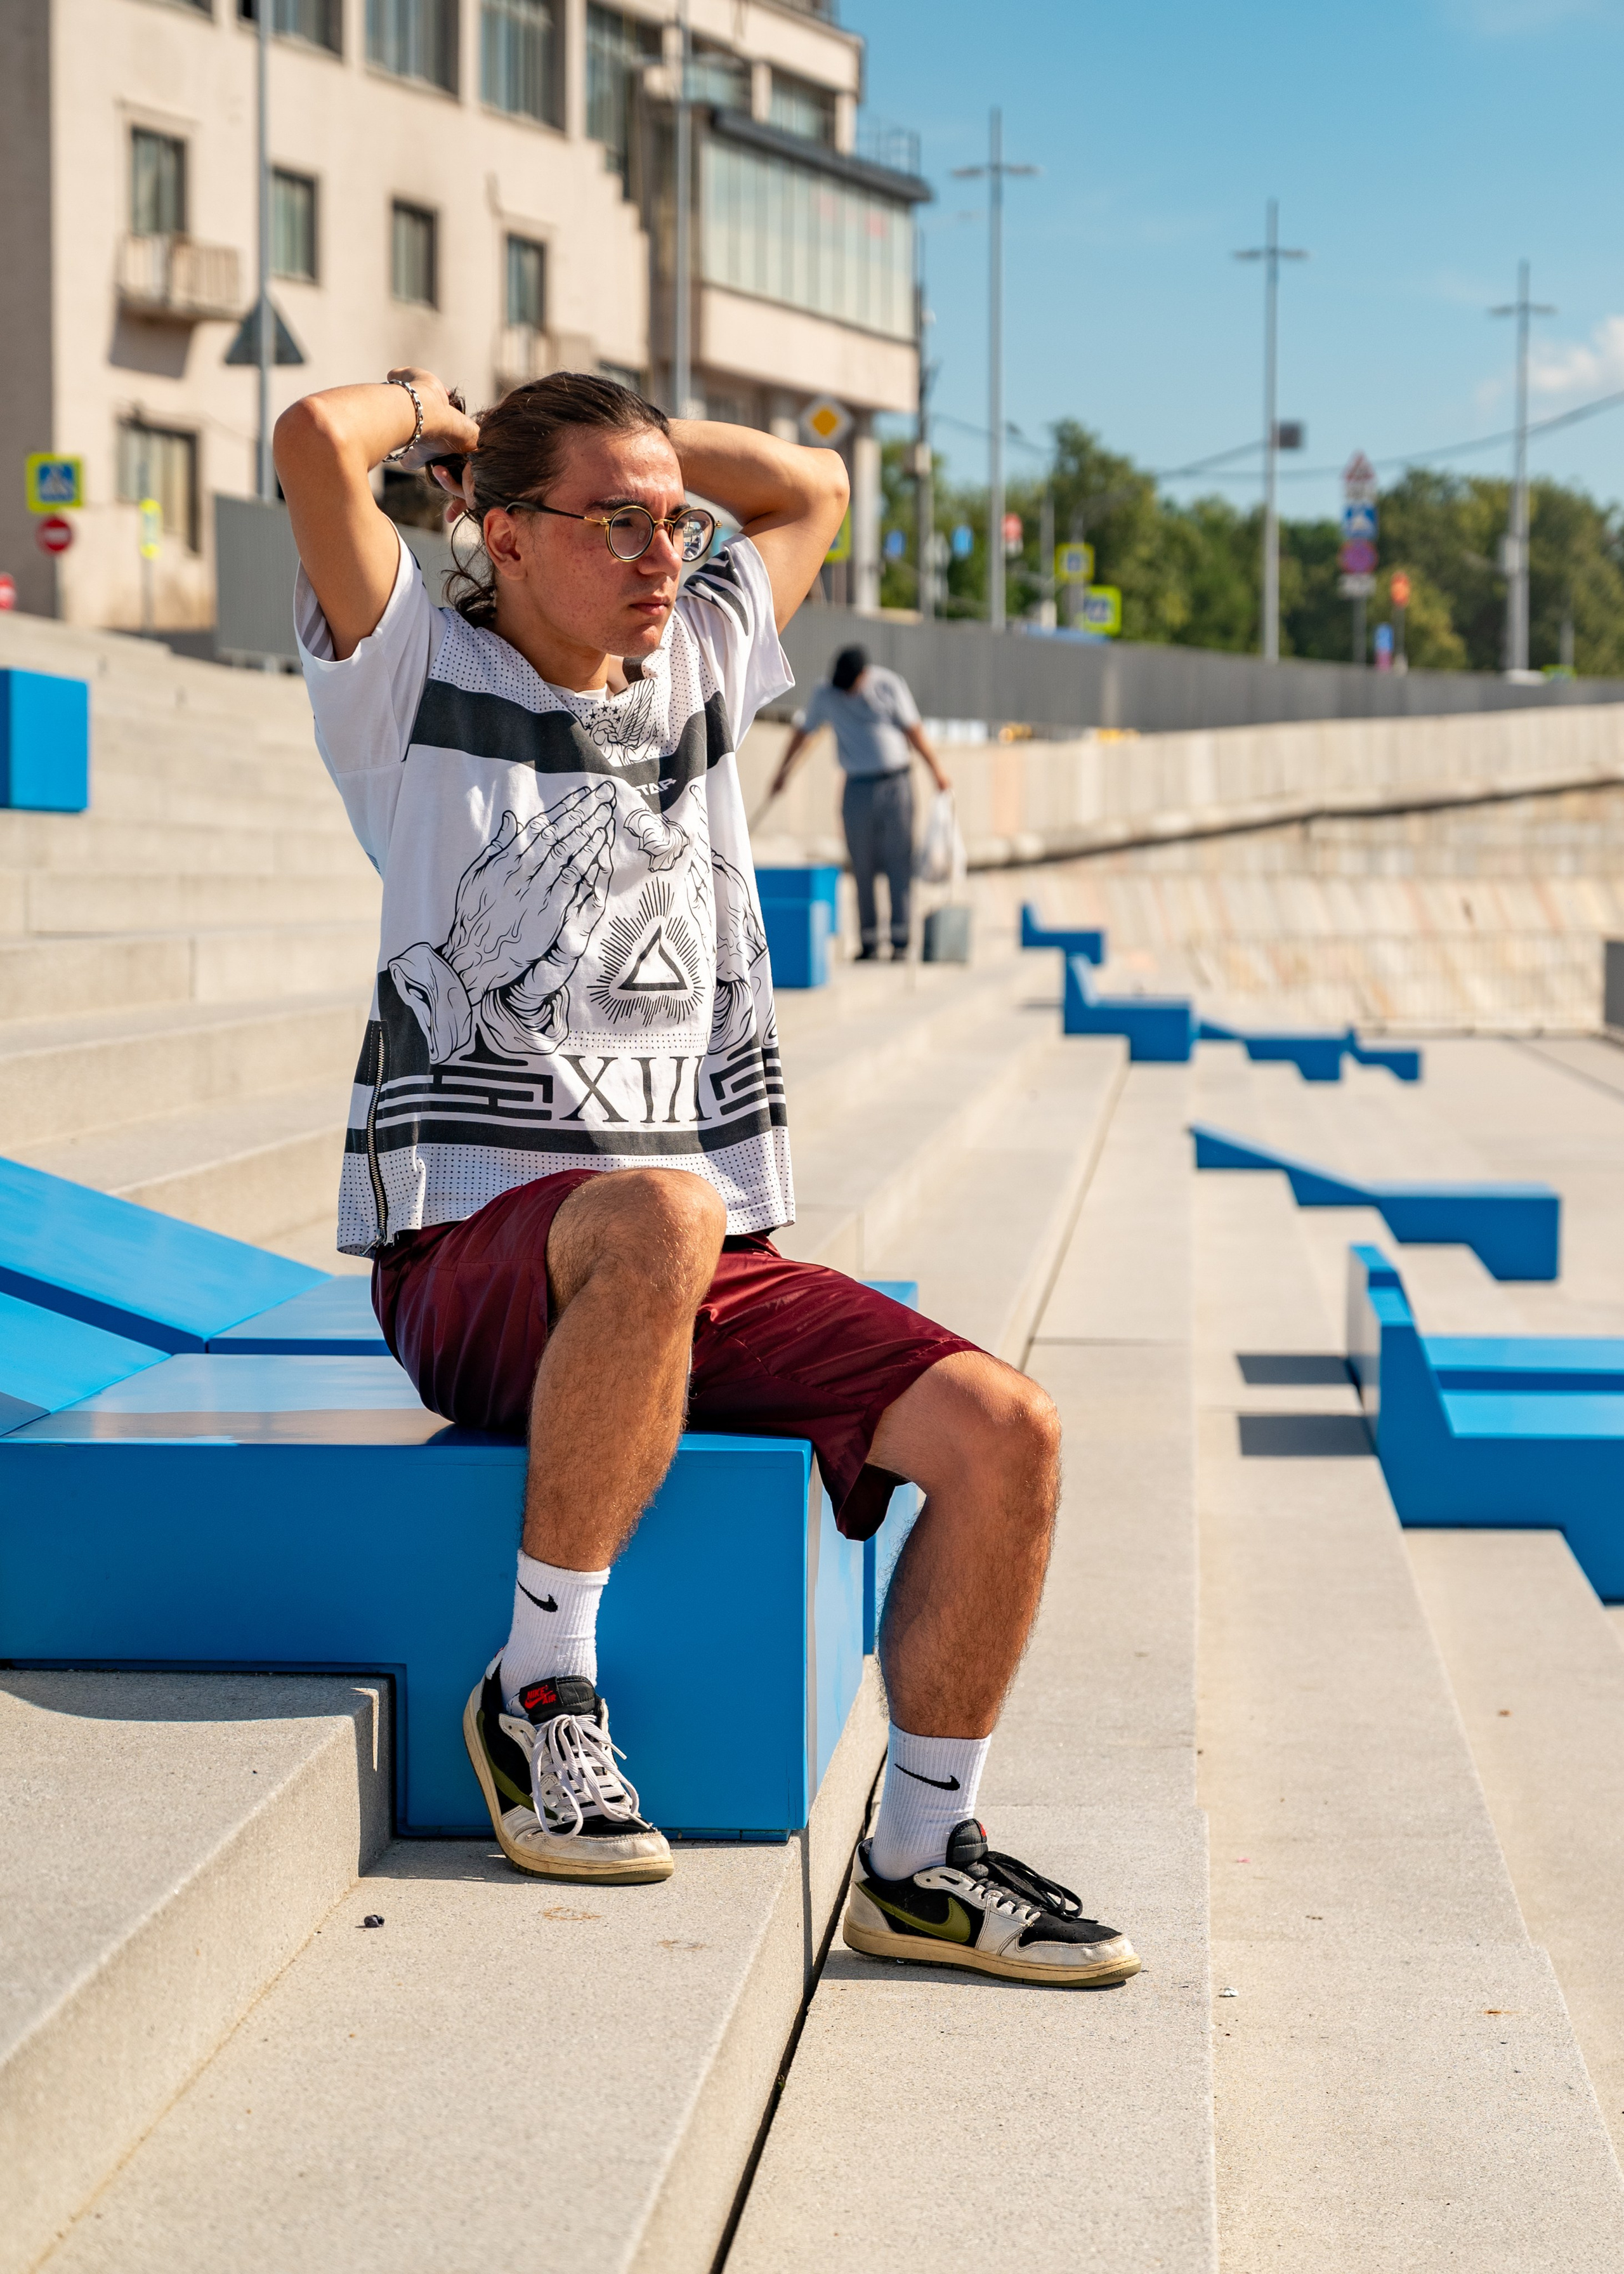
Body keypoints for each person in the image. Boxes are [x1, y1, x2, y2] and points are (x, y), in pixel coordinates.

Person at [272, 368, 1138, 1988]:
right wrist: (444, 405)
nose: (662, 549)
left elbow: (809, 486)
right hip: (472, 1256)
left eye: (671, 518)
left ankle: (919, 1856)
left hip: (673, 1265)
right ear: (500, 535)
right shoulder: (407, 678)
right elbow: (318, 444)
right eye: (613, 521)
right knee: (662, 1205)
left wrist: (638, 422)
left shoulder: (698, 665)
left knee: (1005, 1434)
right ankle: (538, 1692)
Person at [769, 647, 949, 961]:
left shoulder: (888, 685)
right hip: (856, 787)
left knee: (898, 862)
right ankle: (868, 941)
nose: (848, 694)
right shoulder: (826, 693)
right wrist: (781, 773)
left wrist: (937, 771)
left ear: (865, 675)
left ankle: (901, 939)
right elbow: (803, 732)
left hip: (896, 783)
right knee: (861, 864)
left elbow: (914, 730)